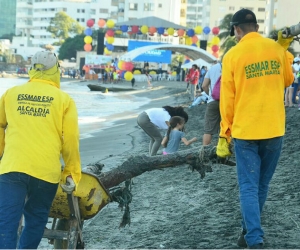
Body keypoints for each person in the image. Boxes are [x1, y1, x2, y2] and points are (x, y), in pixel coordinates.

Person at [216, 9, 294, 249]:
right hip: (274, 128)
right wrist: (283, 50)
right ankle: (248, 231)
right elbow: (288, 80)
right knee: (261, 185)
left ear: (237, 30)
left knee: (248, 186)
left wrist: (224, 134)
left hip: (246, 130)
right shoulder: (276, 49)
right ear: (257, 27)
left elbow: (227, 100)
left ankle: (253, 238)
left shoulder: (233, 55)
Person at [0, 51, 82, 249]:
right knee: (36, 221)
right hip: (46, 172)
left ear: (31, 69)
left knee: (6, 223)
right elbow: (70, 138)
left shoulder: (11, 94)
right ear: (56, 70)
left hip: (13, 167)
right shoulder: (64, 99)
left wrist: (2, 153)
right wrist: (71, 172)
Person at [201, 61, 222, 145]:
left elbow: (204, 86)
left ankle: (205, 151)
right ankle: (225, 150)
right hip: (228, 102)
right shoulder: (232, 65)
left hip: (213, 101)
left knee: (208, 130)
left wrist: (210, 94)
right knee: (226, 128)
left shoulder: (212, 68)